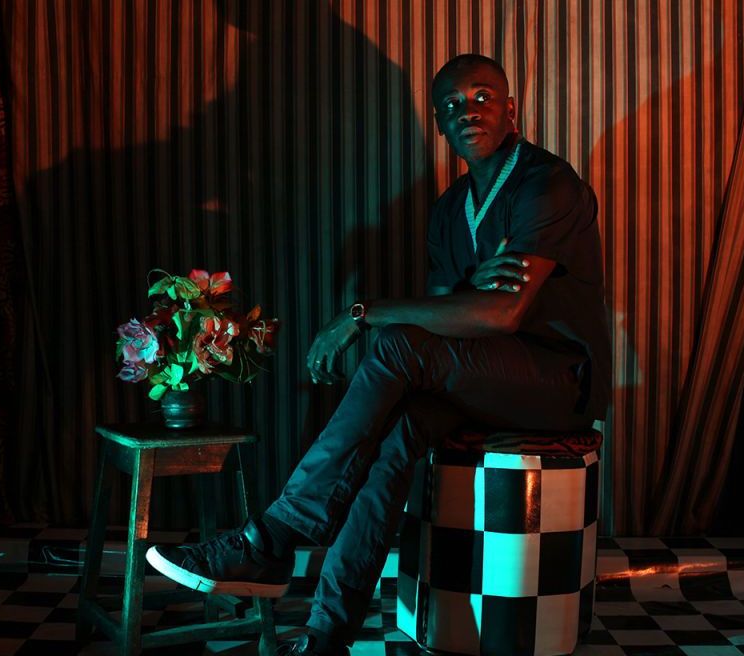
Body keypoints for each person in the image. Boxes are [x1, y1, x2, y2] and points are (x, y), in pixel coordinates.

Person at [147, 53, 610, 656]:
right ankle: (325, 635)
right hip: (484, 378)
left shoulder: (546, 183)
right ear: (440, 125)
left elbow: (500, 315)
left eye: (481, 96)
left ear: (511, 108)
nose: (466, 111)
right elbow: (452, 319)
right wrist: (468, 299)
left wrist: (364, 312)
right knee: (393, 435)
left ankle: (277, 534)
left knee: (394, 344)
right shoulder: (450, 209)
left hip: (556, 382)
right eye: (451, 105)